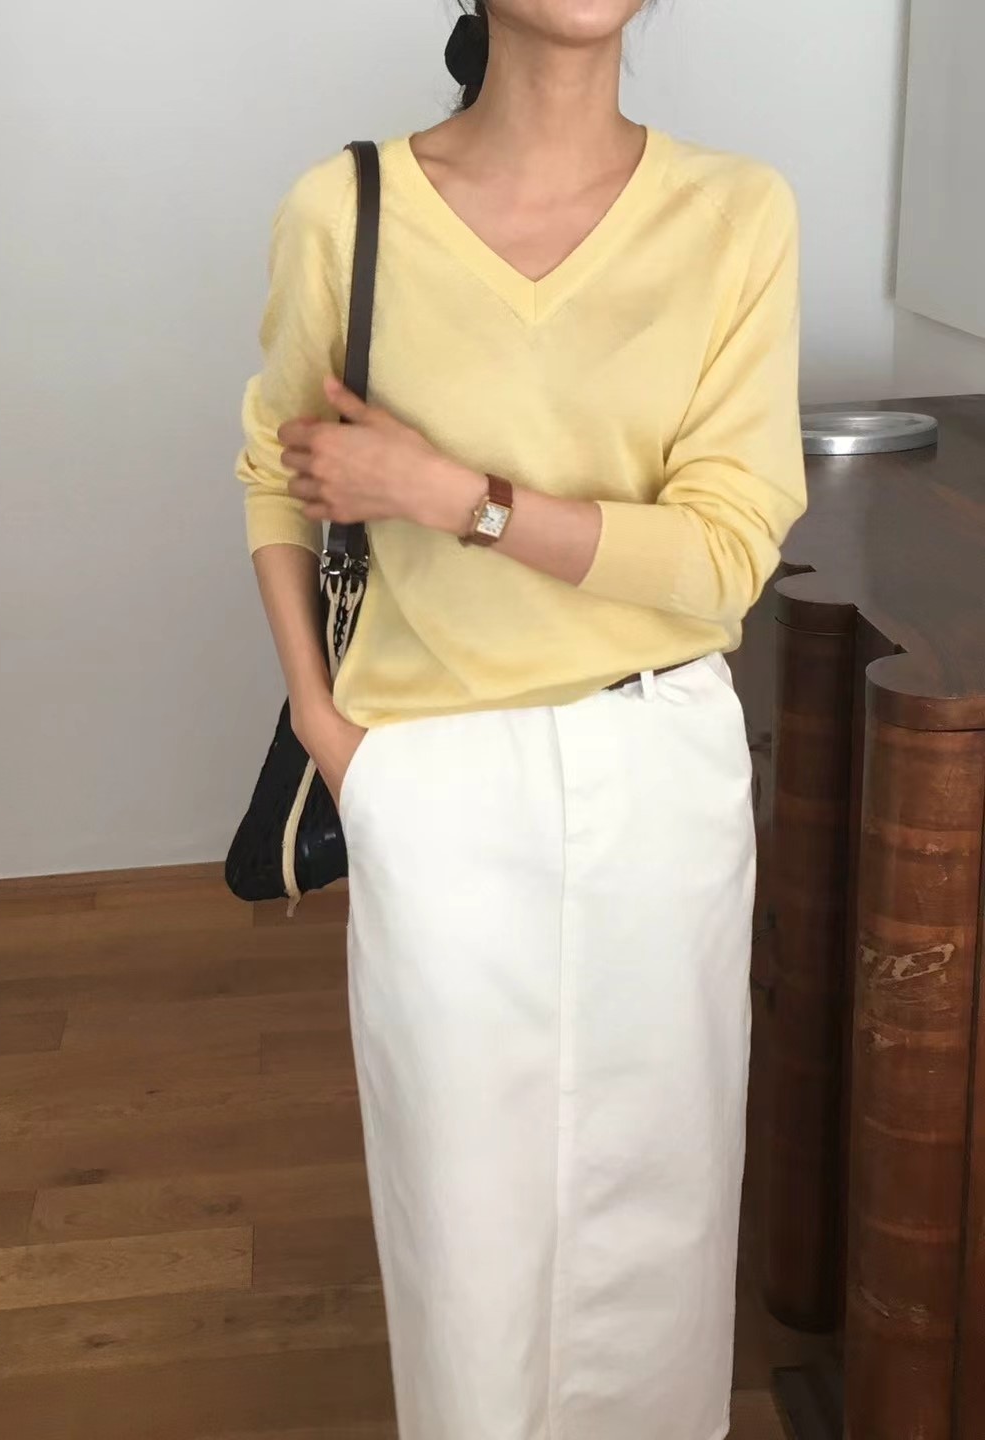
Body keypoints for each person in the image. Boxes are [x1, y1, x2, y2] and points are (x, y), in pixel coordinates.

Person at [235, 2, 806, 1436]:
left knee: (662, 1212)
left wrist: (453, 498)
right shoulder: (347, 208)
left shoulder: (737, 213)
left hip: (659, 760)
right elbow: (273, 473)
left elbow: (725, 554)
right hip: (429, 776)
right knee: (465, 1227)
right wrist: (327, 727)